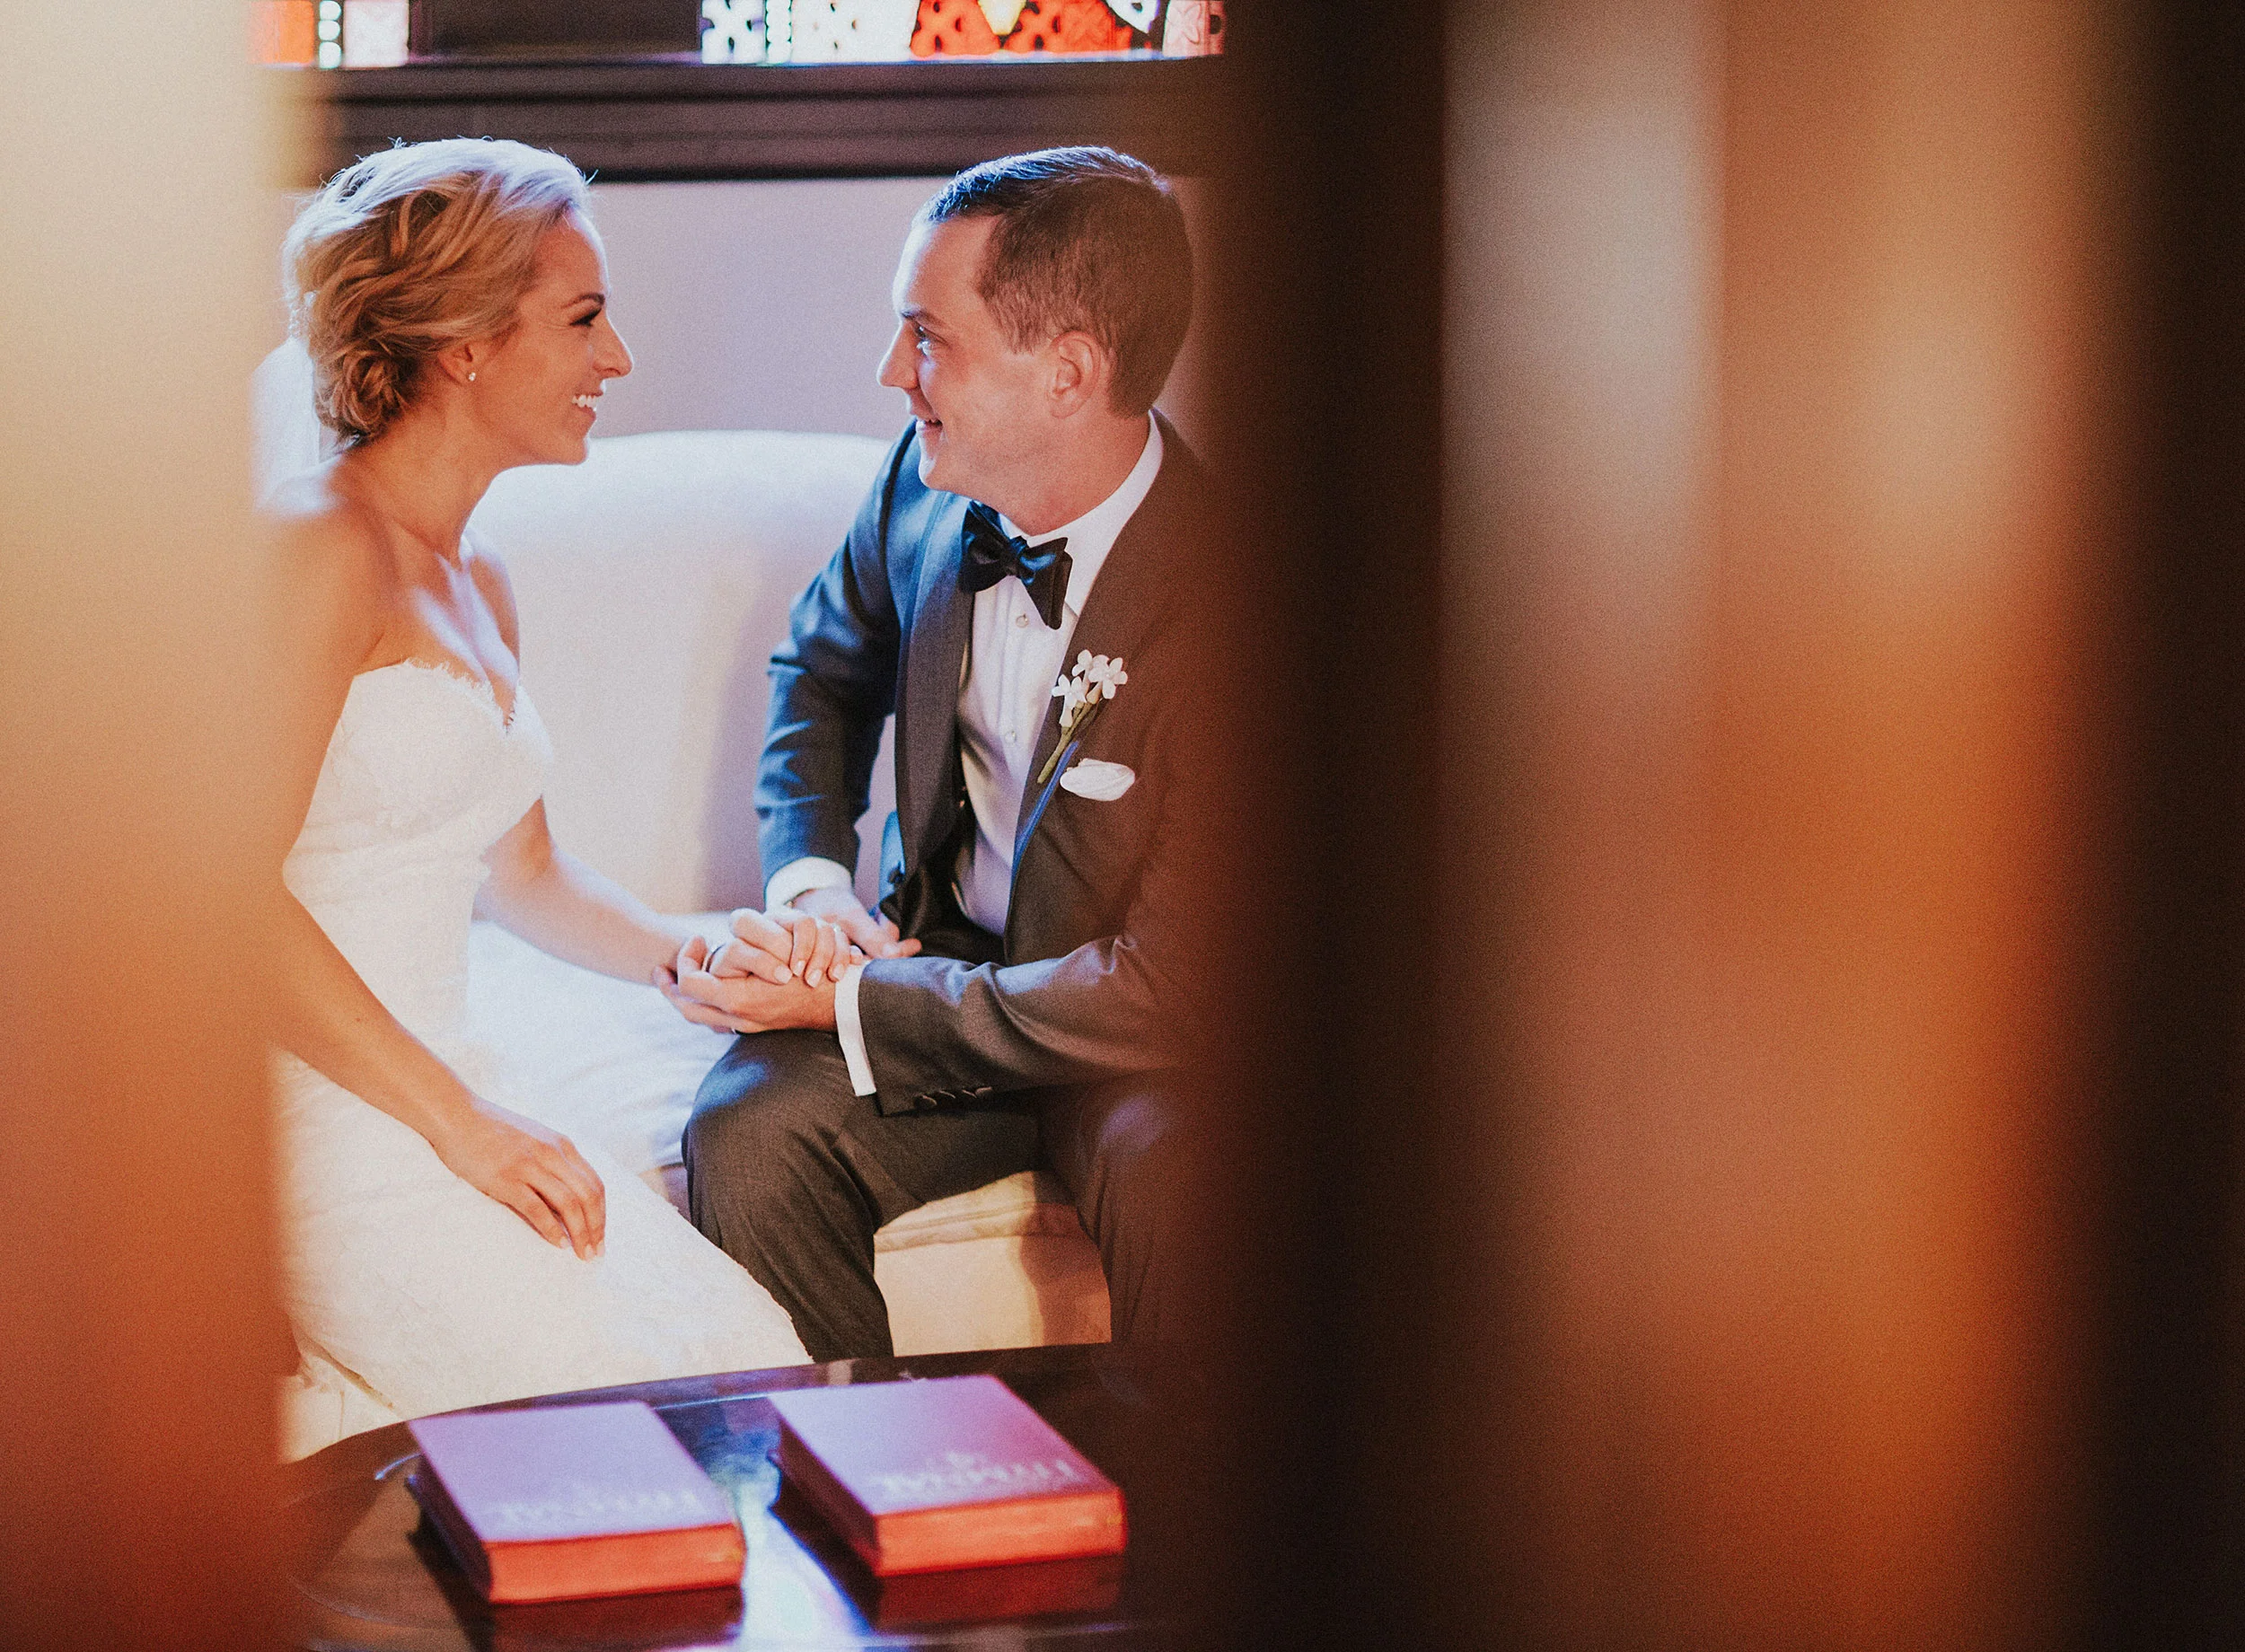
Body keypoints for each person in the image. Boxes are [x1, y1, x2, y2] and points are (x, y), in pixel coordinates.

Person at [265, 138, 806, 1456]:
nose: (616, 358)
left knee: (754, 1373)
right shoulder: (315, 547)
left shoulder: (479, 576)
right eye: (583, 318)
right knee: (614, 1441)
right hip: (331, 1111)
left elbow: (527, 880)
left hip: (461, 1082)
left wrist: (694, 952)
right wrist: (462, 1130)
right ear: (462, 345)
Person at [663, 146, 1219, 1362]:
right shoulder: (918, 497)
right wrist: (811, 893)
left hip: (1143, 1036)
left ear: (1070, 373)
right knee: (749, 1133)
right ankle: (871, 1488)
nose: (889, 376)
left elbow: (1171, 989)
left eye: (928, 338)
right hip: (943, 959)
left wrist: (857, 999)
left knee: (1188, 1177)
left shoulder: (1241, 602)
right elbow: (819, 674)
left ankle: (1177, 1533)